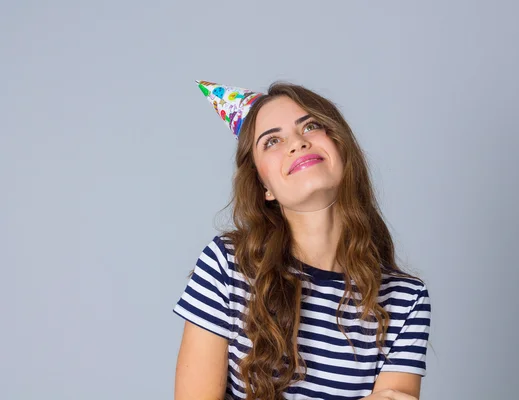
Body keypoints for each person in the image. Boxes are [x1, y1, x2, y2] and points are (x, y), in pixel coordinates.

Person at [173, 80, 432, 400]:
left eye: (310, 126)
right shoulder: (227, 265)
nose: (296, 143)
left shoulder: (406, 300)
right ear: (264, 186)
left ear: (340, 147)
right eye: (272, 142)